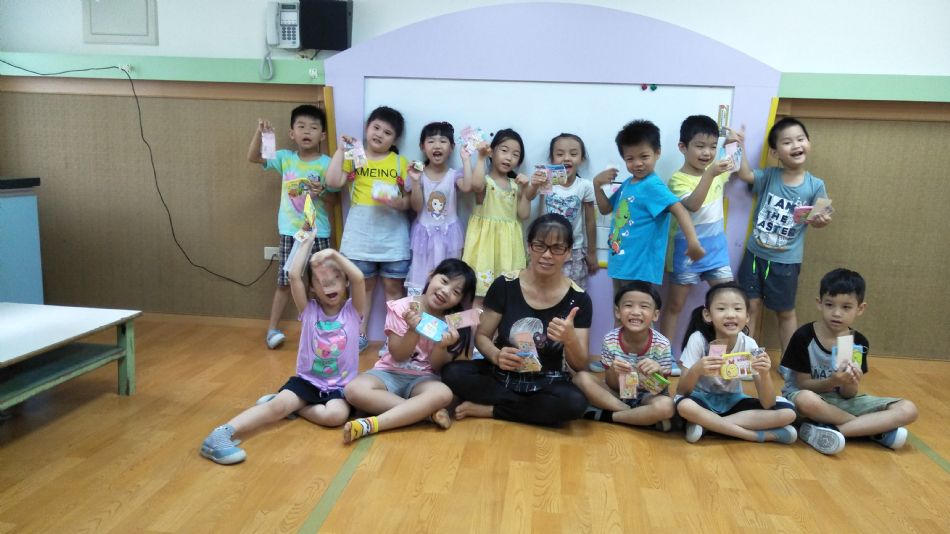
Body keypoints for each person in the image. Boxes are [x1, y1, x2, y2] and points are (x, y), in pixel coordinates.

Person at [200, 231, 365, 464]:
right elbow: (294, 276)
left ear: (345, 281)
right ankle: (220, 435)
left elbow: (359, 278)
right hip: (307, 382)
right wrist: (306, 243)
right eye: (321, 280)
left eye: (336, 278)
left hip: (340, 387)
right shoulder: (309, 310)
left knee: (335, 416)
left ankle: (297, 408)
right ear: (312, 288)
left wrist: (333, 254)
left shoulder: (353, 311)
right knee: (276, 407)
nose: (328, 284)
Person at [442, 214, 592, 427]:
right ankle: (525, 409)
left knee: (574, 402)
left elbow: (580, 364)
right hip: (501, 375)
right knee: (452, 373)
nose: (547, 255)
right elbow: (482, 336)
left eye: (557, 248)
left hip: (547, 381)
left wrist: (570, 340)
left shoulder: (579, 299)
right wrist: (496, 355)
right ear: (529, 246)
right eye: (540, 245)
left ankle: (493, 410)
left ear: (568, 252)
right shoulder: (505, 284)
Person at [781, 269, 918, 454]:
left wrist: (849, 382)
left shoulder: (856, 342)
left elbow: (848, 395)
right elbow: (802, 384)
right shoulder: (804, 336)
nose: (837, 313)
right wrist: (832, 381)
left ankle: (832, 431)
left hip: (839, 402)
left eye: (846, 307)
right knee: (807, 400)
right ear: (819, 303)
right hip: (807, 399)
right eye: (830, 305)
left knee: (908, 409)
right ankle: (871, 430)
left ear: (860, 308)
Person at [342, 259, 477, 443]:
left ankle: (371, 424)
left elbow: (437, 366)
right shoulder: (402, 307)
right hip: (388, 372)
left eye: (456, 292)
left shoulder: (454, 321)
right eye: (444, 281)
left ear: (461, 300)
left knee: (444, 394)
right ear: (431, 276)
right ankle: (424, 414)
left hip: (424, 379)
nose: (446, 291)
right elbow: (398, 355)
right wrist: (413, 330)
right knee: (353, 390)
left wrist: (441, 346)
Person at [734, 117, 831, 353]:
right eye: (787, 142)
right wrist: (739, 146)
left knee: (785, 312)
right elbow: (745, 174)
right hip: (754, 255)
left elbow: (821, 218)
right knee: (751, 307)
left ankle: (789, 361)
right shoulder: (770, 176)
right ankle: (745, 358)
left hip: (786, 261)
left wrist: (821, 220)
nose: (796, 145)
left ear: (808, 143)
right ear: (775, 152)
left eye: (800, 139)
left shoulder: (816, 185)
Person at [247, 104, 336, 349]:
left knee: (323, 283)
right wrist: (261, 134)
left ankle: (323, 329)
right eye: (301, 126)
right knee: (285, 282)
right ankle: (272, 329)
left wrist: (322, 192)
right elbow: (254, 157)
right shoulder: (285, 158)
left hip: (318, 232)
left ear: (322, 135)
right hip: (291, 232)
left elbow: (335, 199)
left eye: (313, 127)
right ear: (291, 133)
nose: (307, 131)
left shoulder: (327, 163)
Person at [326, 106, 411, 352]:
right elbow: (332, 182)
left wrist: (398, 202)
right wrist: (341, 151)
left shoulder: (400, 162)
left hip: (393, 238)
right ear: (367, 128)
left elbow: (410, 201)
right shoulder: (355, 156)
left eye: (387, 132)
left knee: (394, 291)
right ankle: (359, 334)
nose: (379, 134)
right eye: (376, 127)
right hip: (360, 237)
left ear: (395, 139)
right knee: (362, 288)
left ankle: (393, 339)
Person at [675, 282, 798, 444]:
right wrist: (696, 370)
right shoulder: (698, 339)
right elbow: (681, 391)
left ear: (747, 316)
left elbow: (768, 403)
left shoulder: (750, 345)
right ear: (707, 315)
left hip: (733, 402)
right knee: (684, 406)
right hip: (701, 401)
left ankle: (707, 425)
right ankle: (755, 435)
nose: (730, 315)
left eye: (737, 309)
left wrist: (765, 374)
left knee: (788, 413)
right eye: (721, 309)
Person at [592, 119, 705, 292]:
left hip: (639, 267)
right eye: (630, 159)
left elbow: (680, 210)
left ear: (657, 153)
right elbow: (605, 208)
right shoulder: (628, 183)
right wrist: (597, 185)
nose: (637, 163)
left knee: (635, 308)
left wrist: (693, 241)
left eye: (644, 156)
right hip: (620, 262)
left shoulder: (653, 186)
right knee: (620, 307)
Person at [659, 115, 737, 365]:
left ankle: (725, 358)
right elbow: (693, 204)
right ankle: (665, 357)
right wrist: (710, 174)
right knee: (675, 305)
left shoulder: (718, 171)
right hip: (686, 253)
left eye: (713, 147)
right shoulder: (677, 180)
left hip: (717, 252)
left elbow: (736, 164)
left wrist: (735, 143)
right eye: (700, 146)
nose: (707, 153)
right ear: (683, 147)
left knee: (729, 302)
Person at [574, 281, 675, 430]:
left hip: (647, 396)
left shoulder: (662, 344)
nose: (635, 312)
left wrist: (657, 371)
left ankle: (607, 416)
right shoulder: (610, 339)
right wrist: (614, 371)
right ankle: (637, 415)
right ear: (617, 312)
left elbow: (660, 390)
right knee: (581, 378)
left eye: (644, 306)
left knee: (666, 406)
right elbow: (611, 384)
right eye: (628, 305)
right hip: (618, 394)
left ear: (655, 315)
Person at [462, 128, 533, 303]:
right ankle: (476, 322)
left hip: (509, 248)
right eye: (504, 150)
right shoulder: (485, 181)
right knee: (479, 295)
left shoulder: (516, 185)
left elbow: (524, 214)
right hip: (484, 248)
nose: (509, 157)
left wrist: (525, 190)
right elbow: (476, 186)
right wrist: (480, 158)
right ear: (492, 152)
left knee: (507, 297)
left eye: (515, 154)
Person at [404, 122, 473, 291]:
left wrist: (466, 160)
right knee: (420, 278)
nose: (437, 145)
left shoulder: (454, 175)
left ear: (452, 147)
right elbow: (416, 207)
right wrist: (415, 181)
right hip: (424, 235)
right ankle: (418, 306)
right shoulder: (418, 174)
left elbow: (467, 187)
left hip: (449, 235)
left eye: (443, 141)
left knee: (448, 279)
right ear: (422, 147)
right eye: (431, 141)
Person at [535, 133, 599, 290]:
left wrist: (591, 252)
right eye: (560, 154)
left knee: (572, 292)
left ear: (582, 159)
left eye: (573, 154)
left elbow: (590, 221)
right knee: (545, 289)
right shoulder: (546, 181)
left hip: (573, 250)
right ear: (552, 158)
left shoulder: (584, 186)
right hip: (546, 247)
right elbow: (538, 212)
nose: (566, 158)